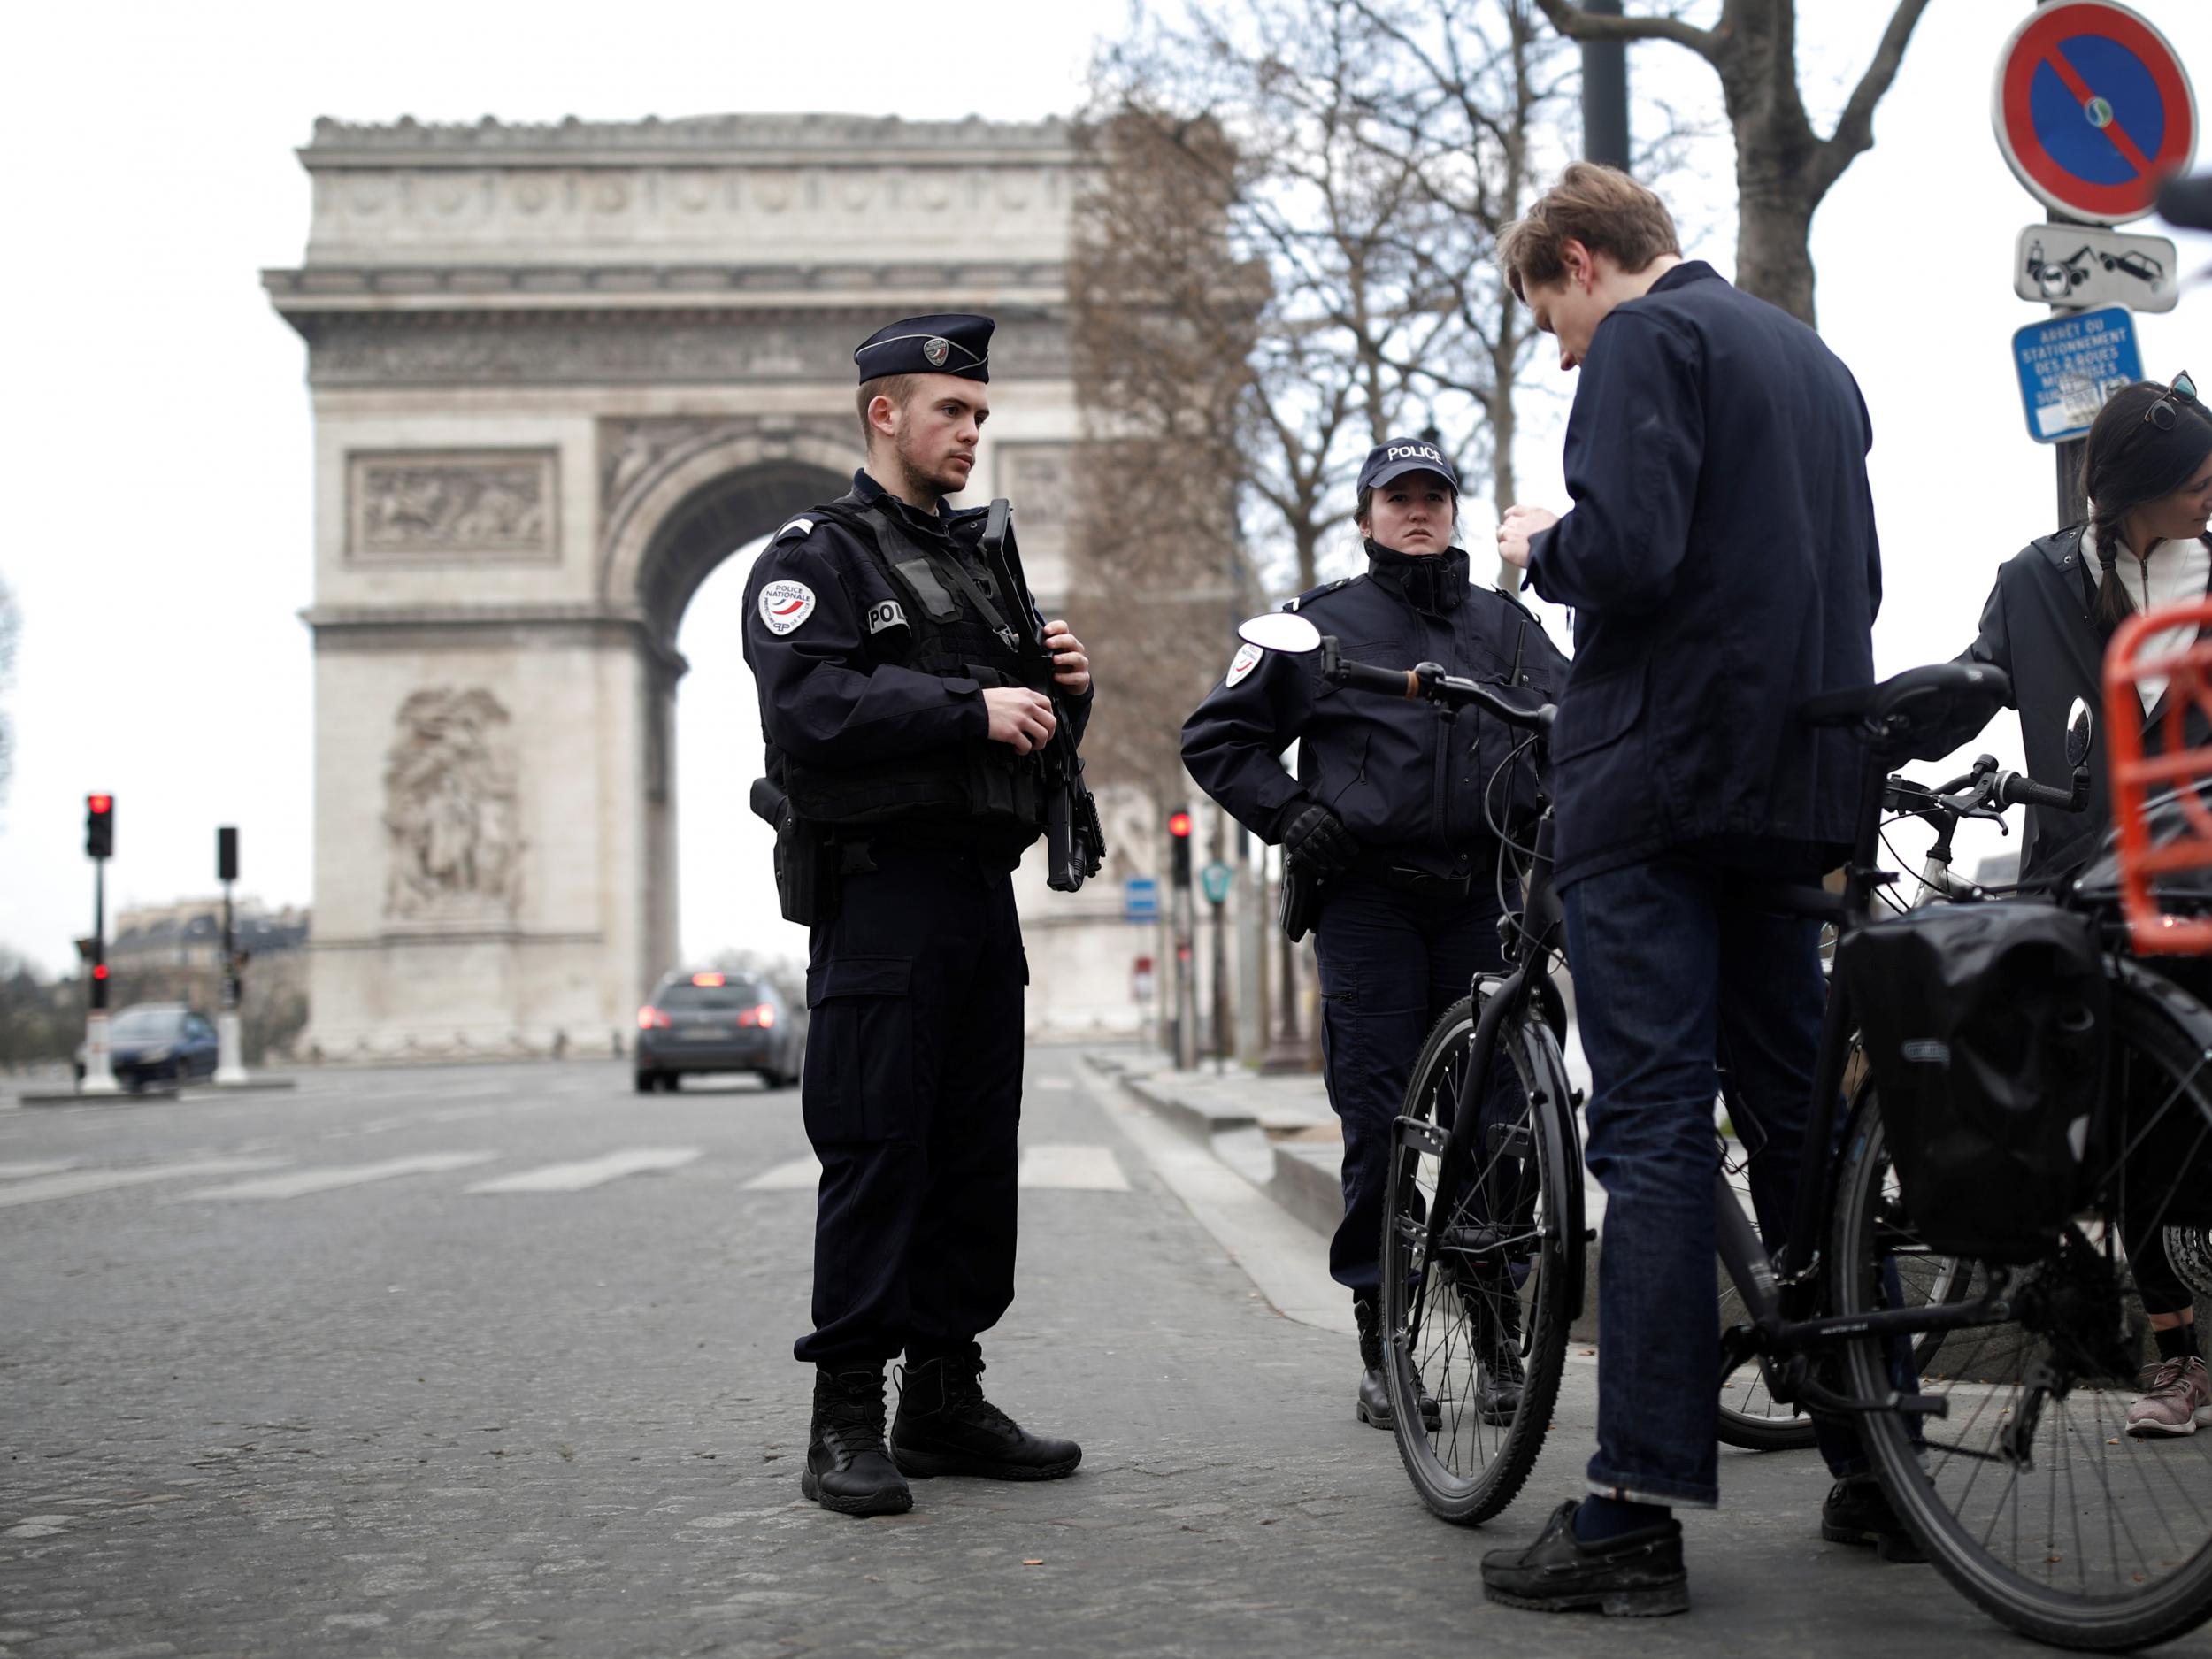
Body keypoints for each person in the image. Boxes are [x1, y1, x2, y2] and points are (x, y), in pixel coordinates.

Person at [1481, 163, 1889, 1615]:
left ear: (1582, 262)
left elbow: (1635, 550)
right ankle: (1876, 1466)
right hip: (1797, 796)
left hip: (1658, 794)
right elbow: (1863, 577)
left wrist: (1547, 550)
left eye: (1553, 326)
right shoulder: (1816, 366)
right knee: (1806, 1133)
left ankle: (1632, 1511)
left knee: (1651, 1135)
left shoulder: (1651, 341)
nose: (1565, 354)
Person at [741, 313, 1090, 1518]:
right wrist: (968, 707)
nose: (972, 434)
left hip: (975, 899)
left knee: (970, 1157)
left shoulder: (985, 564)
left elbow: (1019, 738)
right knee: (880, 1148)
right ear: (884, 412)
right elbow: (810, 706)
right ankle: (843, 1416)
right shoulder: (812, 559)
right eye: (953, 411)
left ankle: (942, 1397)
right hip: (879, 893)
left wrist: (1058, 701)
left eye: (982, 416)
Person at [1181, 437, 1569, 1428]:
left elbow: (1578, 731)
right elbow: (1217, 739)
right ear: (1365, 516)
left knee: (1500, 1131)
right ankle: (1383, 1343)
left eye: (1433, 496)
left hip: (1483, 901)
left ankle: (1494, 1344)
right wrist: (1288, 814)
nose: (1417, 512)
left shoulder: (1509, 628)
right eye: (1397, 498)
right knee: (1379, 1125)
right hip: (1368, 904)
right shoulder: (1314, 627)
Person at [1960, 373, 2212, 1438]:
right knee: (2124, 1129)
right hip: (2084, 890)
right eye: (2197, 482)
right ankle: (2176, 1362)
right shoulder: (2036, 581)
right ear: (2133, 491)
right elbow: (1976, 679)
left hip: (2202, 880)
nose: (2210, 494)